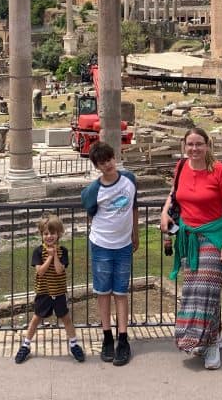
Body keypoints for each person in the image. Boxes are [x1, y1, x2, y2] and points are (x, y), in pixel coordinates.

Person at [160, 127, 222, 370]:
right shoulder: (182, 167)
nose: (194, 149)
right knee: (195, 291)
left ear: (208, 145)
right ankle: (213, 337)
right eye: (190, 144)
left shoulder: (219, 171)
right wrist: (165, 212)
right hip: (189, 238)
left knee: (207, 290)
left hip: (214, 237)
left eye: (199, 144)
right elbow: (174, 194)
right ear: (184, 146)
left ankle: (210, 345)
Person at [81, 141, 139, 366]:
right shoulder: (94, 191)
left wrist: (136, 233)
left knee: (121, 292)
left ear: (115, 157)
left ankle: (123, 339)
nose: (108, 165)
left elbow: (133, 206)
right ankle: (107, 336)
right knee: (103, 292)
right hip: (102, 245)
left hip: (123, 245)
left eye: (110, 159)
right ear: (97, 166)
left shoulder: (130, 180)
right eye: (103, 162)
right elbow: (90, 213)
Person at [15, 213, 86, 364]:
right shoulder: (38, 251)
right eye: (46, 233)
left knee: (66, 319)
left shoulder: (63, 251)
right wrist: (48, 256)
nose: (49, 236)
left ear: (58, 234)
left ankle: (73, 344)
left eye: (52, 233)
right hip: (44, 292)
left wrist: (55, 256)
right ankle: (26, 345)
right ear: (41, 235)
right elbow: (40, 271)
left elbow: (60, 270)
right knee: (36, 319)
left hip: (59, 292)